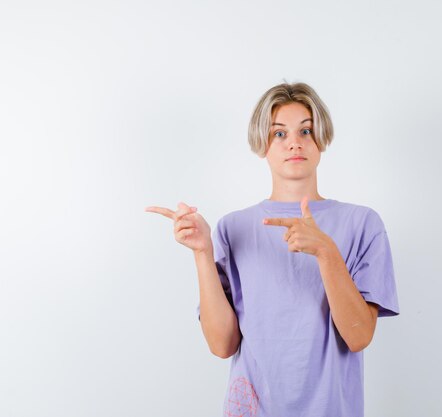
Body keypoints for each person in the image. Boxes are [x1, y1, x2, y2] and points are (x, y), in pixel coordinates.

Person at [145, 82, 399, 417]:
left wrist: (326, 251)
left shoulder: (362, 223)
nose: (294, 142)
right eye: (279, 133)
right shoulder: (232, 228)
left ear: (322, 139)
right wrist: (202, 252)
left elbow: (359, 336)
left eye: (306, 131)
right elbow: (222, 345)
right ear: (262, 143)